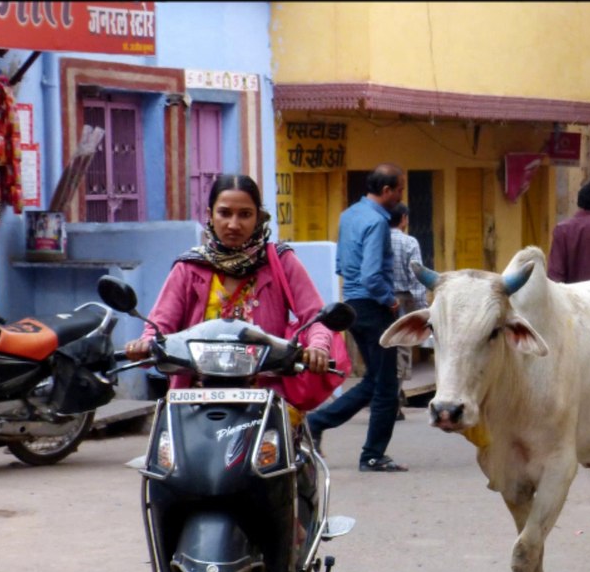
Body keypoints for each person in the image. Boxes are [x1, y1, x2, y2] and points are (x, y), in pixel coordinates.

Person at [124, 173, 333, 544]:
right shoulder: (190, 267)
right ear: (210, 215)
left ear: (259, 218)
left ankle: (295, 517)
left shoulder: (281, 262)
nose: (233, 224)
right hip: (196, 392)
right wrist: (145, 344)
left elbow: (314, 317)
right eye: (225, 213)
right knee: (166, 467)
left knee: (290, 457)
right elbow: (159, 324)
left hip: (266, 391)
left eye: (244, 214)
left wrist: (317, 346)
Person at [305, 163, 408, 472]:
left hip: (352, 305)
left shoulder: (348, 215)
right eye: (400, 189)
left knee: (374, 380)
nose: (402, 195)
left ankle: (317, 421)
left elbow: (341, 265)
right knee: (387, 386)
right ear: (387, 190)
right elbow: (373, 274)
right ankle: (373, 455)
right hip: (374, 306)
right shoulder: (378, 223)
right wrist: (390, 301)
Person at [388, 204, 426, 391]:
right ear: (403, 218)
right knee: (402, 345)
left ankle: (387, 393)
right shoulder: (410, 242)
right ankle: (395, 395)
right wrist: (423, 308)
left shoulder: (377, 240)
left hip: (381, 298)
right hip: (403, 298)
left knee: (384, 343)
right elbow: (416, 277)